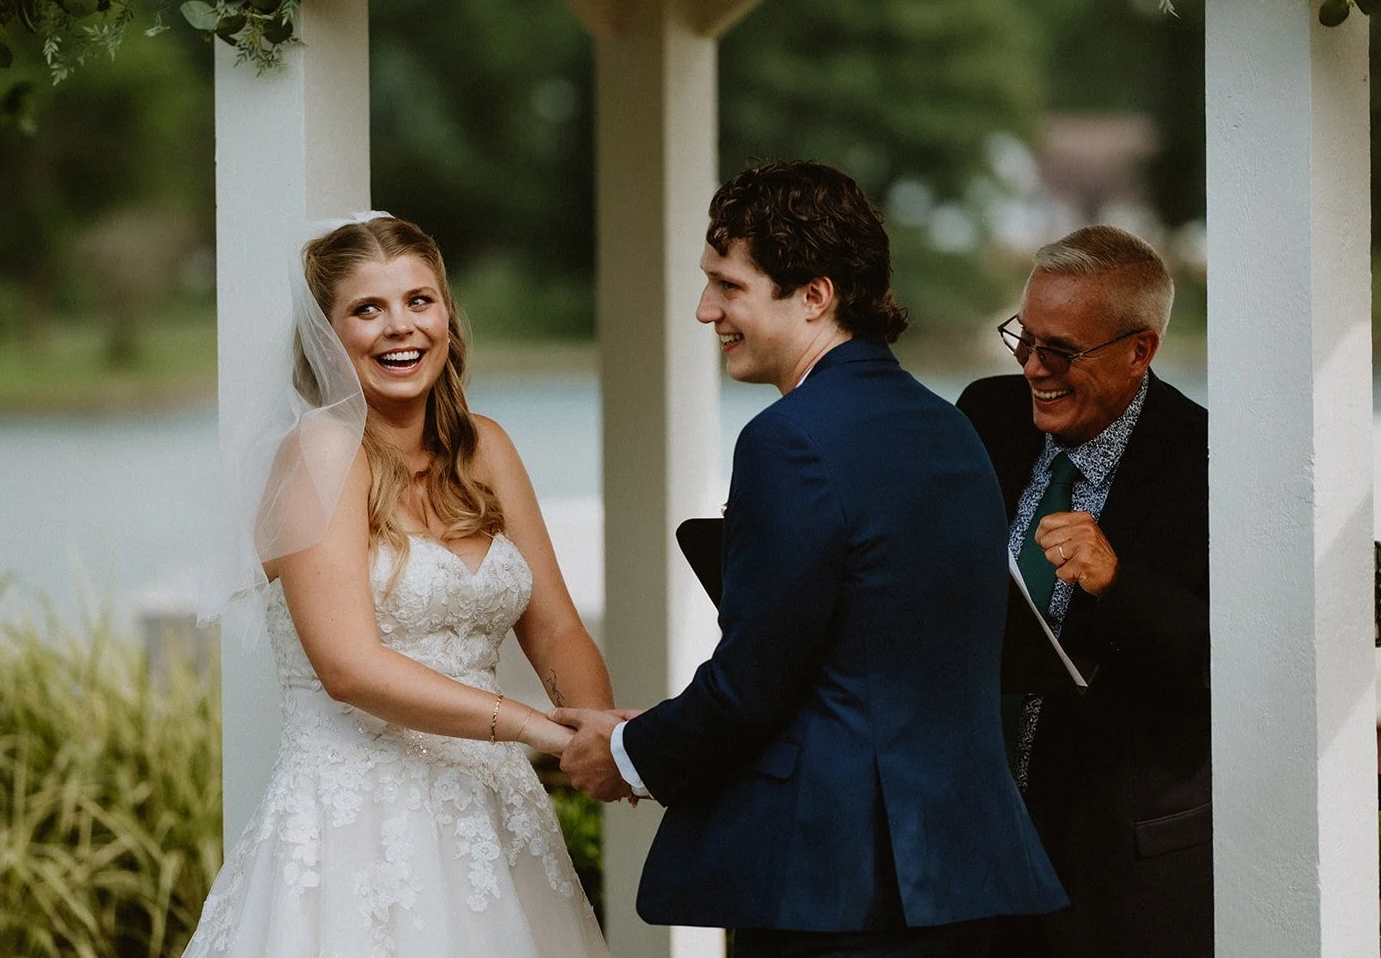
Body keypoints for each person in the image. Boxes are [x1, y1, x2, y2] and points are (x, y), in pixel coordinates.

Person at [552, 161, 1066, 957]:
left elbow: (753, 682)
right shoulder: (949, 429)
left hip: (834, 886)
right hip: (957, 875)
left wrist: (626, 753)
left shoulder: (787, 441)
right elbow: (869, 652)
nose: (705, 310)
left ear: (816, 295)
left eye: (729, 286)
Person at [184, 214, 610, 958]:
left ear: (448, 315)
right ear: (326, 333)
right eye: (366, 309)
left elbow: (558, 631)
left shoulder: (487, 448)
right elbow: (349, 669)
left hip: (497, 821)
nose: (399, 328)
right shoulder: (318, 452)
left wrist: (600, 733)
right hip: (361, 829)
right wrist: (539, 729)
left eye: (419, 301)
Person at [956, 226, 1210, 958]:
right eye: (1023, 339)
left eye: (1060, 350)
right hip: (975, 848)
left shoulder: (1209, 461)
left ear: (1140, 351)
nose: (1034, 368)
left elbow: (1230, 664)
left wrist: (1116, 585)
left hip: (1118, 876)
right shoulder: (985, 415)